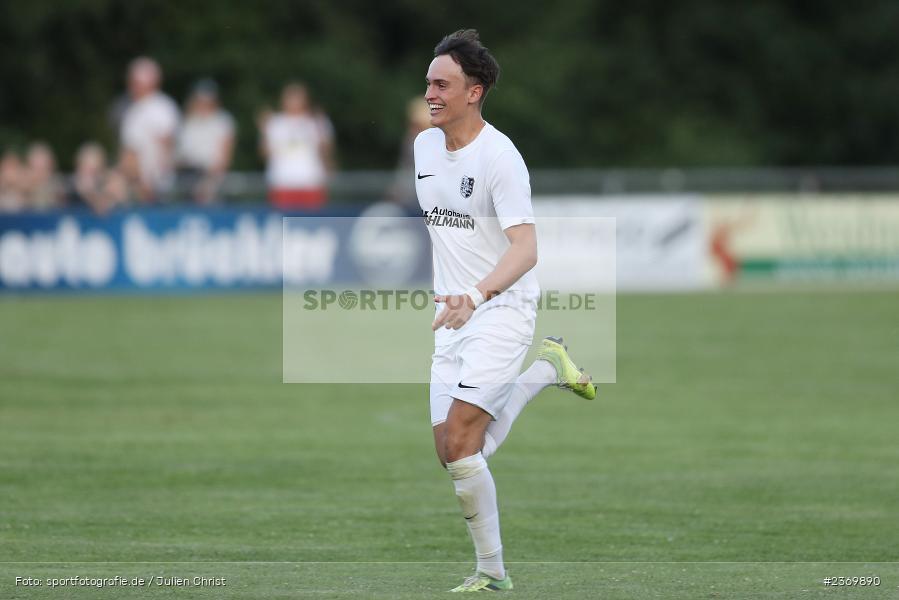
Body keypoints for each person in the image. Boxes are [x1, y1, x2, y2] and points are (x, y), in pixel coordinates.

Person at [414, 30, 597, 593]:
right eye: (428, 83)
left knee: (465, 443)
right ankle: (548, 370)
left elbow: (526, 247)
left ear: (476, 91)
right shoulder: (424, 147)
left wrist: (478, 294)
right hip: (454, 316)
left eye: (442, 84)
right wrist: (456, 296)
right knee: (452, 451)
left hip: (501, 308)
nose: (431, 93)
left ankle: (491, 574)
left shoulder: (500, 158)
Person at [260, 82, 335, 210]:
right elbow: (265, 153)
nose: (294, 101)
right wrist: (263, 131)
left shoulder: (316, 121)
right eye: (290, 97)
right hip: (282, 182)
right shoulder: (275, 123)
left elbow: (327, 150)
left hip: (311, 181)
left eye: (297, 97)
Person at [119, 56, 180, 202]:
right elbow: (129, 152)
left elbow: (167, 146)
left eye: (137, 83)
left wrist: (155, 180)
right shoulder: (134, 110)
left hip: (156, 185)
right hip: (137, 183)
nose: (133, 87)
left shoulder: (162, 107)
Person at [175, 79, 236, 204]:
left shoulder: (223, 121)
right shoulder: (187, 121)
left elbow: (224, 156)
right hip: (186, 175)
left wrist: (210, 180)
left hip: (210, 177)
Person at [23, 142, 65, 210]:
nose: (40, 174)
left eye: (43, 169)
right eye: (35, 168)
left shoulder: (58, 185)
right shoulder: (21, 187)